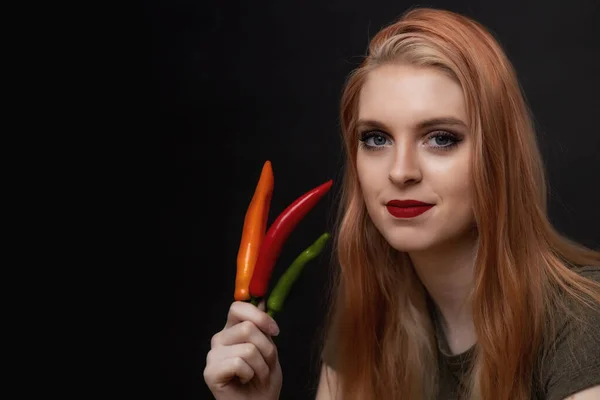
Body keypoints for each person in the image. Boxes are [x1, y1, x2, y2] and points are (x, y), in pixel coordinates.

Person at [203, 7, 600, 400]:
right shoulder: (368, 319)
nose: (400, 171)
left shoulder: (584, 323)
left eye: (441, 138)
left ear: (498, 156)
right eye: (376, 138)